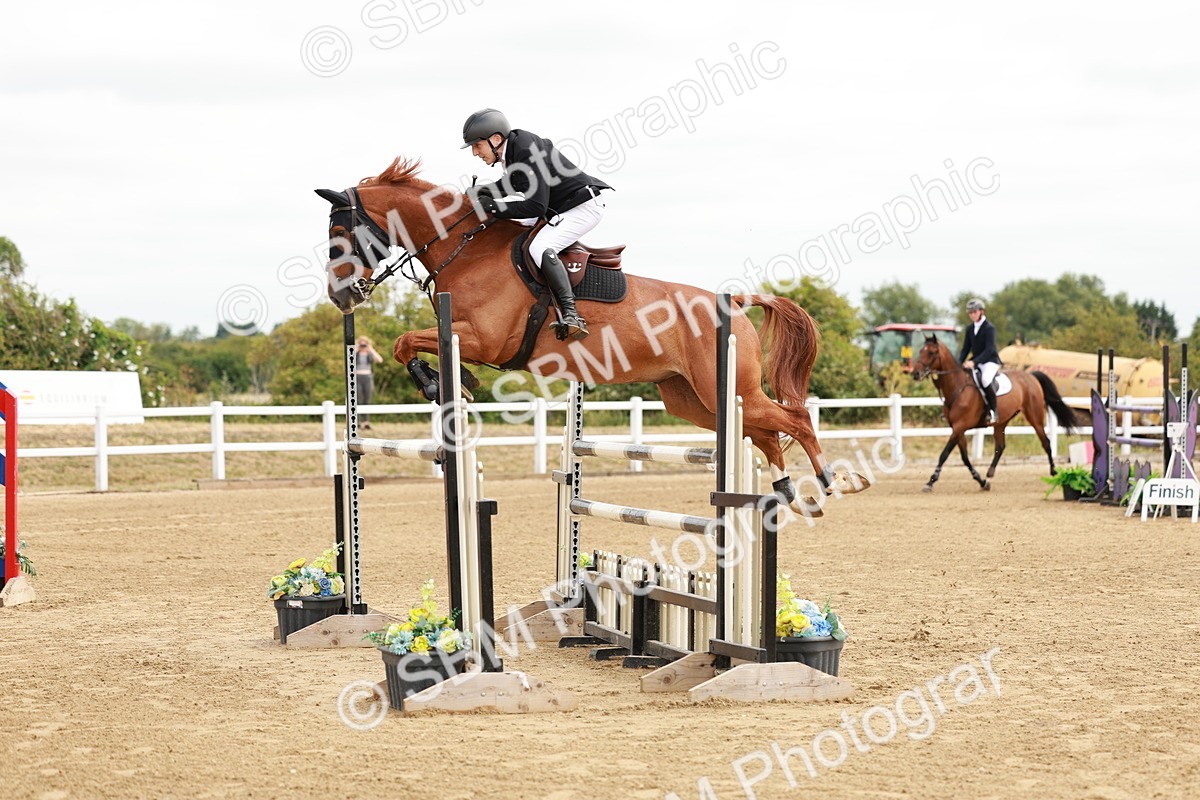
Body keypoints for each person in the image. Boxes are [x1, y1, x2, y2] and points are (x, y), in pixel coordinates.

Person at [461, 108, 612, 341]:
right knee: (512, 231)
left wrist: (492, 207)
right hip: (560, 206)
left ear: (496, 139)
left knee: (538, 247)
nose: (474, 153)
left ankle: (571, 314)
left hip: (582, 207)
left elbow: (536, 207)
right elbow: (513, 184)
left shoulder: (525, 150)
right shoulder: (513, 150)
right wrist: (484, 191)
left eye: (477, 146)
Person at [959, 298, 1002, 424]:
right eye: (970, 313)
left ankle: (994, 411)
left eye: (974, 312)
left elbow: (990, 349)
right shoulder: (970, 328)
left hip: (990, 361)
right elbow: (965, 349)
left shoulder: (989, 328)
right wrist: (959, 363)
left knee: (985, 379)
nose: (972, 315)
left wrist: (974, 362)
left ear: (981, 312)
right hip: (977, 361)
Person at [355, 336, 383, 430]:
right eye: (361, 344)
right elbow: (348, 359)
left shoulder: (369, 354)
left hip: (367, 377)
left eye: (364, 344)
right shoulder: (356, 353)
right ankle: (357, 422)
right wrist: (356, 348)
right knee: (357, 400)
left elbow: (379, 360)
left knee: (367, 399)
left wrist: (370, 349)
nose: (363, 346)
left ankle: (366, 422)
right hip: (357, 377)